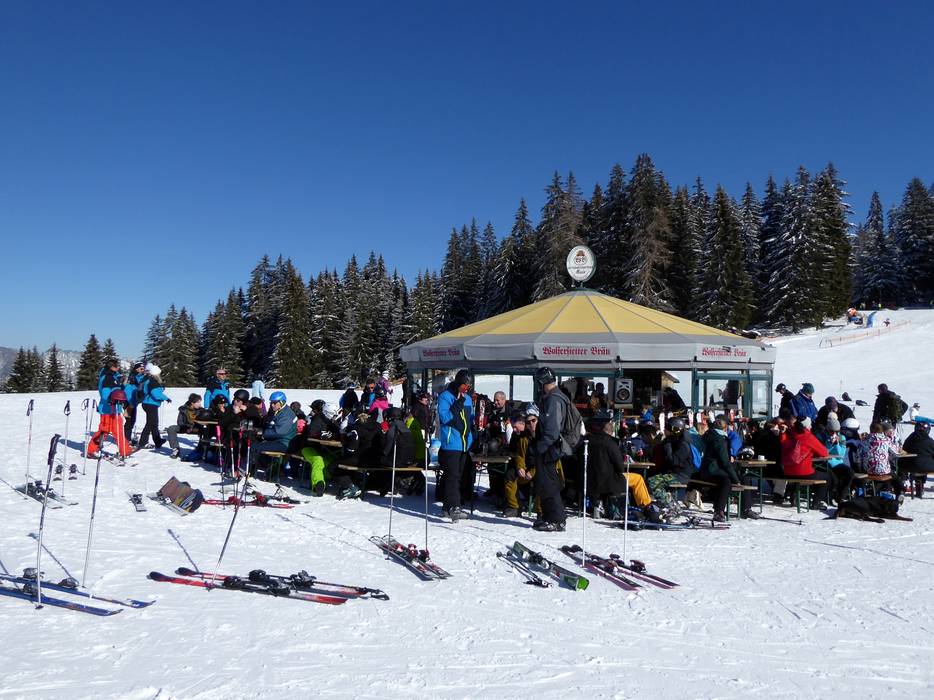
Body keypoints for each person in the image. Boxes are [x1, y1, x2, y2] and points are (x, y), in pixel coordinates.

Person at [584, 410, 660, 522]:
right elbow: (619, 466)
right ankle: (646, 507)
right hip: (609, 480)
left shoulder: (588, 441)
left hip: (589, 479)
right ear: (611, 432)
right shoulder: (611, 443)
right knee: (638, 479)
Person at [532, 366, 569, 532]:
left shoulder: (554, 399)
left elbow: (552, 429)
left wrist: (541, 446)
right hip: (549, 445)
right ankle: (549, 517)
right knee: (544, 483)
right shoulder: (553, 397)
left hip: (550, 447)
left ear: (543, 381)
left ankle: (557, 520)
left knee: (549, 484)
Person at [436, 369, 474, 522]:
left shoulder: (468, 399)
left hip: (464, 442)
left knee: (459, 475)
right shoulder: (445, 397)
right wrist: (457, 404)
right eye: (464, 386)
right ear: (458, 384)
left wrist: (472, 436)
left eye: (468, 387)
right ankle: (455, 506)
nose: (466, 389)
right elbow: (444, 418)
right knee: (453, 476)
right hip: (451, 442)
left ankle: (446, 507)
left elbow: (470, 420)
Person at [700, 415, 743, 522]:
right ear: (725, 428)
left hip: (707, 469)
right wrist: (736, 480)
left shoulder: (710, 435)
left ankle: (743, 507)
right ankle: (719, 511)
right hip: (713, 470)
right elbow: (725, 462)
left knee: (737, 478)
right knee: (727, 481)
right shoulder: (720, 440)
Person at [780, 417, 830, 507]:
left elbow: (783, 445)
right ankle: (816, 502)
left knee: (799, 475)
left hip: (788, 472)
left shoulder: (788, 435)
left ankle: (793, 497)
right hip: (804, 472)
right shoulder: (807, 436)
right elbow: (824, 452)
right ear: (806, 426)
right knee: (827, 477)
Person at [87, 358, 131, 458]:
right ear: (112, 367)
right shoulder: (107, 377)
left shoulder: (113, 376)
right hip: (108, 409)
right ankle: (91, 450)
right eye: (117, 366)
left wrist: (122, 387)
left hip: (115, 408)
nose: (118, 368)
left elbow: (117, 389)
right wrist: (113, 399)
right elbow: (105, 393)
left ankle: (125, 450)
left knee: (117, 430)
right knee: (104, 431)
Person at [648, 418, 695, 504]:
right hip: (672, 473)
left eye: (667, 428)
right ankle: (666, 501)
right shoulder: (672, 440)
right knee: (651, 479)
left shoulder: (683, 444)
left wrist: (667, 446)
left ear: (674, 430)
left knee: (653, 482)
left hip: (681, 475)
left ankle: (668, 503)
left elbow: (673, 462)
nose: (664, 430)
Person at [301, 400, 343, 496]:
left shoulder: (331, 422)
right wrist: (320, 435)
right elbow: (311, 433)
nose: (335, 417)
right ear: (328, 413)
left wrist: (332, 435)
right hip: (308, 448)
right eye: (334, 415)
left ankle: (327, 479)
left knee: (331, 462)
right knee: (318, 460)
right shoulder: (317, 419)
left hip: (323, 450)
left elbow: (338, 433)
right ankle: (318, 484)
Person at [251, 391, 297, 475]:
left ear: (282, 402)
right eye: (271, 403)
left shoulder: (287, 415)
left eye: (274, 403)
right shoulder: (278, 411)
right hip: (277, 440)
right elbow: (270, 425)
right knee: (253, 441)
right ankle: (270, 466)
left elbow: (279, 432)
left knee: (255, 446)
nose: (272, 405)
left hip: (285, 443)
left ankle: (252, 470)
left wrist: (262, 432)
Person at [502, 412, 534, 517]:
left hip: (534, 467)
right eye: (513, 427)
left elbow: (539, 457)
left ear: (523, 424)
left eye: (516, 427)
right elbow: (514, 452)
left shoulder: (533, 435)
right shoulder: (516, 435)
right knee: (509, 475)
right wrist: (520, 466)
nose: (514, 430)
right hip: (521, 465)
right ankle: (513, 506)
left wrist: (532, 471)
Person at [138, 363, 171, 450]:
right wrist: (166, 398)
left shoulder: (150, 380)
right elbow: (155, 394)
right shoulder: (153, 382)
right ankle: (143, 442)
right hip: (150, 404)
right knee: (150, 424)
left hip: (148, 403)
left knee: (154, 423)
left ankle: (157, 441)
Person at [902, 421, 934, 498]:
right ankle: (920, 483)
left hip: (911, 466)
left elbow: (904, 450)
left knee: (916, 462)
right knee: (924, 462)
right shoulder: (930, 441)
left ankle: (917, 483)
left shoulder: (909, 439)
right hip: (927, 466)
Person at [166, 393, 203, 459]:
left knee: (206, 431)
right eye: (198, 402)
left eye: (200, 402)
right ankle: (176, 449)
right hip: (185, 427)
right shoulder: (183, 409)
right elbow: (179, 422)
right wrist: (187, 427)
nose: (200, 404)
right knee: (171, 428)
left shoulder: (201, 410)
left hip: (196, 428)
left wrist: (194, 427)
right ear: (192, 403)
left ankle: (201, 449)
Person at [123, 362, 146, 445]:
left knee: (132, 420)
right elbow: (127, 388)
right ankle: (126, 439)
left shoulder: (139, 376)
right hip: (128, 401)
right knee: (129, 420)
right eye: (141, 369)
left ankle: (127, 437)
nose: (142, 370)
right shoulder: (132, 376)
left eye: (143, 369)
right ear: (136, 369)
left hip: (134, 401)